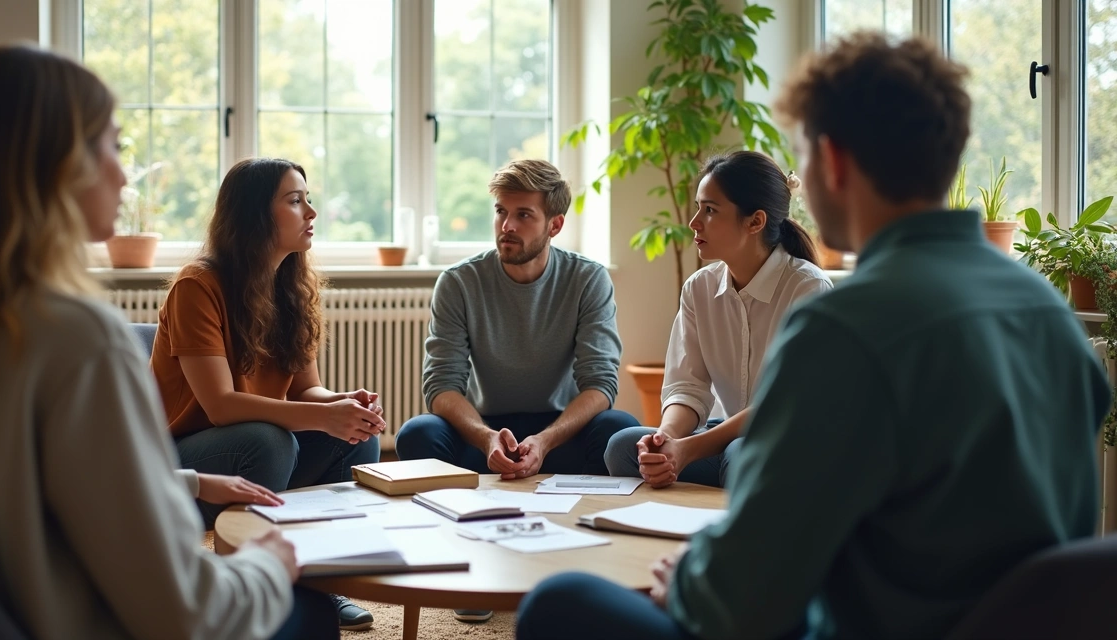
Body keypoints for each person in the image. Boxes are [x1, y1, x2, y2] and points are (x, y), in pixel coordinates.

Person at [516, 32, 1111, 640]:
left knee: (558, 602)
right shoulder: (1047, 312)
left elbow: (739, 607)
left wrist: (692, 583)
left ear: (832, 160)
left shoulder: (845, 328)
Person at [0, 44, 338, 640]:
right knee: (305, 613)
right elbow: (182, 611)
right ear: (53, 164)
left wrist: (188, 483)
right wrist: (267, 564)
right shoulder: (77, 340)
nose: (123, 173)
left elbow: (26, 492)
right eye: (110, 145)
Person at [395, 158, 638, 623]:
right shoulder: (459, 282)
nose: (506, 226)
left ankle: (581, 567)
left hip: (559, 436)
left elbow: (601, 384)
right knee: (418, 434)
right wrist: (487, 438)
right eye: (500, 211)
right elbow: (441, 386)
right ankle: (468, 567)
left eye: (523, 214)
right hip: (484, 436)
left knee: (619, 429)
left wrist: (546, 441)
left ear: (555, 224)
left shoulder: (587, 279)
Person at [150, 157, 383, 631]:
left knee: (356, 434)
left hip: (252, 443)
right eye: (296, 201)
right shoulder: (198, 287)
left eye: (308, 199)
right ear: (255, 215)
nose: (311, 213)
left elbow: (306, 390)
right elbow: (220, 407)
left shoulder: (292, 288)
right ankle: (241, 588)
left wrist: (341, 405)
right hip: (184, 460)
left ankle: (321, 580)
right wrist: (320, 417)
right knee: (267, 440)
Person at [603, 151, 831, 489]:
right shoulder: (700, 287)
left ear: (755, 222)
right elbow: (688, 387)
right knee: (623, 447)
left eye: (709, 210)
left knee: (742, 455)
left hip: (790, 448)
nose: (694, 222)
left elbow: (780, 406)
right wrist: (666, 441)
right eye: (698, 207)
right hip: (726, 441)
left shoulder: (807, 289)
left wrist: (689, 449)